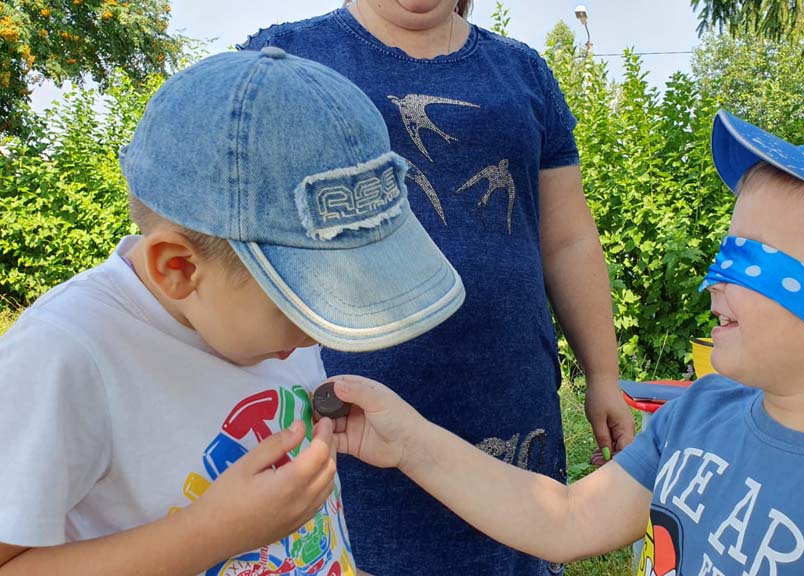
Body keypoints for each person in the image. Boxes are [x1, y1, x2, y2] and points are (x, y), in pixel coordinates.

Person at [321, 110, 804, 574]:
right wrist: (408, 441)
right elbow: (565, 519)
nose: (715, 278)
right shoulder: (702, 414)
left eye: (751, 257)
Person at [0, 48, 464, 575]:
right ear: (178, 267)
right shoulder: (62, 355)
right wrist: (209, 534)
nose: (318, 336)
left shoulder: (250, 321)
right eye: (297, 305)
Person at [239, 2, 633, 574]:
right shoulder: (282, 57)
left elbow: (568, 240)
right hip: (346, 411)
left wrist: (602, 376)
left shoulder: (523, 72)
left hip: (509, 400)